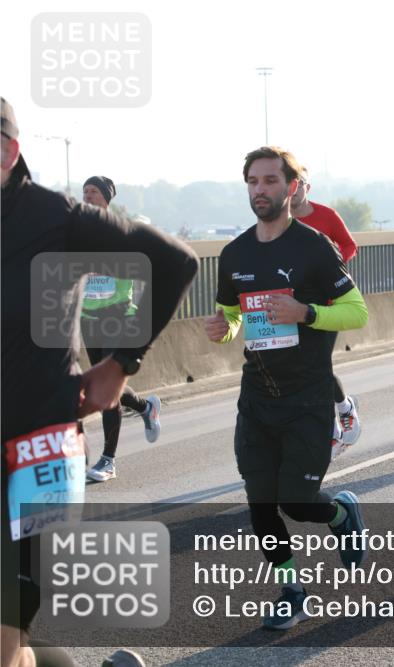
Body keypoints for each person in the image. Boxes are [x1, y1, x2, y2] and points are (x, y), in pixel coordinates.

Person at [2, 97, 197, 667]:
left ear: (9, 152)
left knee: (6, 623)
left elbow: (175, 262)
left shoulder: (55, 218)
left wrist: (120, 365)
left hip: (37, 449)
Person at [204, 146, 369, 631]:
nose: (261, 189)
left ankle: (340, 513)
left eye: (271, 181)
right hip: (257, 396)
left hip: (308, 397)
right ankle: (291, 590)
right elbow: (235, 315)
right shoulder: (235, 254)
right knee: (260, 503)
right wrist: (225, 328)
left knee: (297, 502)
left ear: (291, 187)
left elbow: (357, 311)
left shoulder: (315, 247)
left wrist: (306, 313)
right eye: (253, 181)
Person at [79, 176, 163, 483]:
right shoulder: (78, 233)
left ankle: (108, 460)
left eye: (94, 192)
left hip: (118, 314)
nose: (88, 196)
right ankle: (145, 407)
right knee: (102, 385)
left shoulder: (121, 230)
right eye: (85, 191)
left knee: (105, 388)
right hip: (87, 316)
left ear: (107, 198)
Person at [289, 167, 361, 459]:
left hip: (328, 304)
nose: (295, 191)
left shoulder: (326, 216)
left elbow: (349, 244)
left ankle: (334, 426)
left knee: (317, 364)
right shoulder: (279, 223)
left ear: (307, 187)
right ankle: (341, 410)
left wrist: (330, 266)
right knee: (303, 366)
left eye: (300, 185)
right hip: (293, 306)